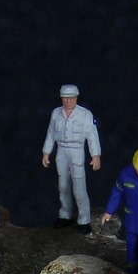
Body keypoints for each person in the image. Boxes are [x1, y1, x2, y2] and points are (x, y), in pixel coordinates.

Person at [41, 84, 101, 230]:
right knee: (63, 185)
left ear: (76, 97)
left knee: (79, 187)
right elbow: (50, 134)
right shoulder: (56, 113)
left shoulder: (85, 115)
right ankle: (65, 214)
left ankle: (84, 219)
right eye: (65, 98)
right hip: (61, 151)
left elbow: (92, 136)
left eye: (71, 98)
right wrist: (46, 152)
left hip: (76, 151)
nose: (68, 101)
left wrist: (96, 155)